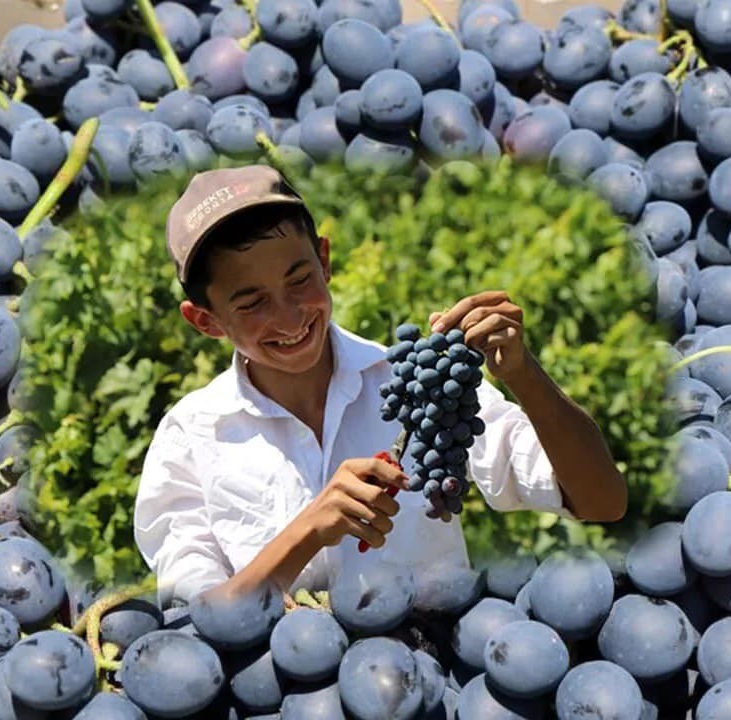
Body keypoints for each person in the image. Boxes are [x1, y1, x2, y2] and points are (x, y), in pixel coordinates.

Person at [133, 164, 628, 608]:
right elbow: (202, 625)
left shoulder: (418, 383)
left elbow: (601, 501)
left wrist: (523, 375)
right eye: (251, 303)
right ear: (206, 321)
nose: (289, 316)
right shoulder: (191, 440)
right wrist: (310, 529)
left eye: (300, 279)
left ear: (324, 261)